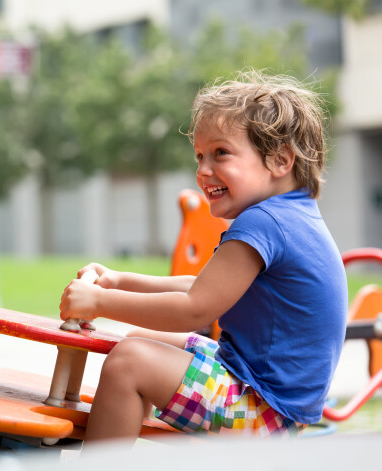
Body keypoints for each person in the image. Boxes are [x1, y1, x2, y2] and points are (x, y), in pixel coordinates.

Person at [59, 70, 347, 445]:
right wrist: (119, 280)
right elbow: (204, 287)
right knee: (144, 339)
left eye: (220, 153)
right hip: (270, 400)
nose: (203, 170)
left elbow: (196, 309)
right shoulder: (291, 215)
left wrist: (98, 301)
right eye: (199, 156)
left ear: (279, 160)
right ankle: (125, 430)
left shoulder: (265, 221)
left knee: (129, 362)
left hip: (264, 412)